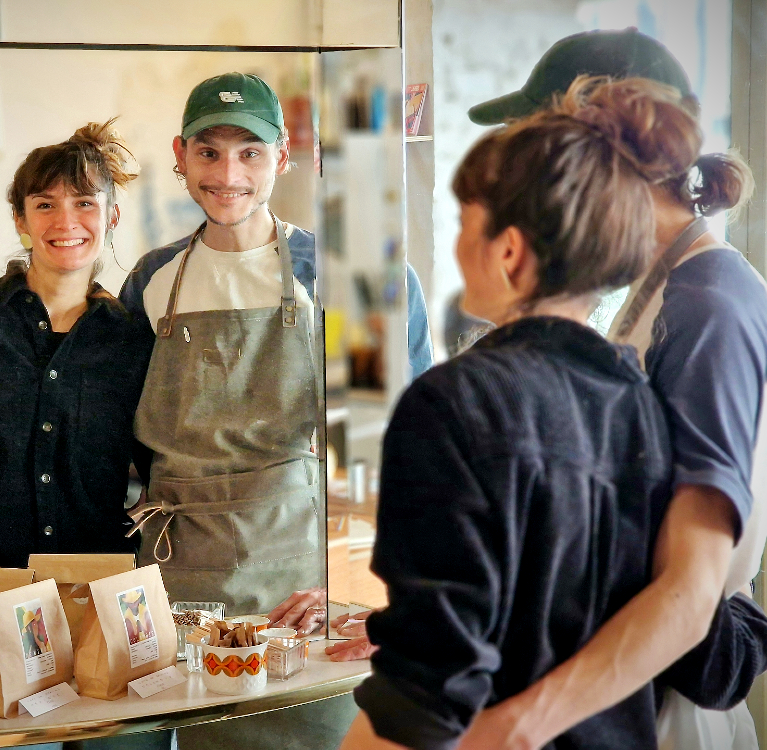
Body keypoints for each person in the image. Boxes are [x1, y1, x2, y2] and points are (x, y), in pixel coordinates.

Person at [339, 77, 764, 750]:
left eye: (462, 223)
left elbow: (425, 695)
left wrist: (506, 730)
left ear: (508, 250)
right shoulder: (634, 394)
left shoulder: (454, 402)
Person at [451, 30, 767, 750]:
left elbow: (689, 595)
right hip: (611, 686)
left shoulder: (710, 300)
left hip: (666, 705)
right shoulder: (645, 283)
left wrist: (518, 727)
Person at [120, 72, 433, 628]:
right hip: (179, 580)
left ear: (284, 155)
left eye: (250, 152)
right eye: (208, 152)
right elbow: (118, 437)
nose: (227, 175)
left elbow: (391, 454)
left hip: (308, 588)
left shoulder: (346, 278)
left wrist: (350, 581)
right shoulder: (151, 280)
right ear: (181, 156)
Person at [0, 120, 151, 569]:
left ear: (112, 217)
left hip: (99, 582)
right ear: (20, 219)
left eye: (85, 203)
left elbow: (162, 466)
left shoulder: (133, 338)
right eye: (45, 205)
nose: (66, 222)